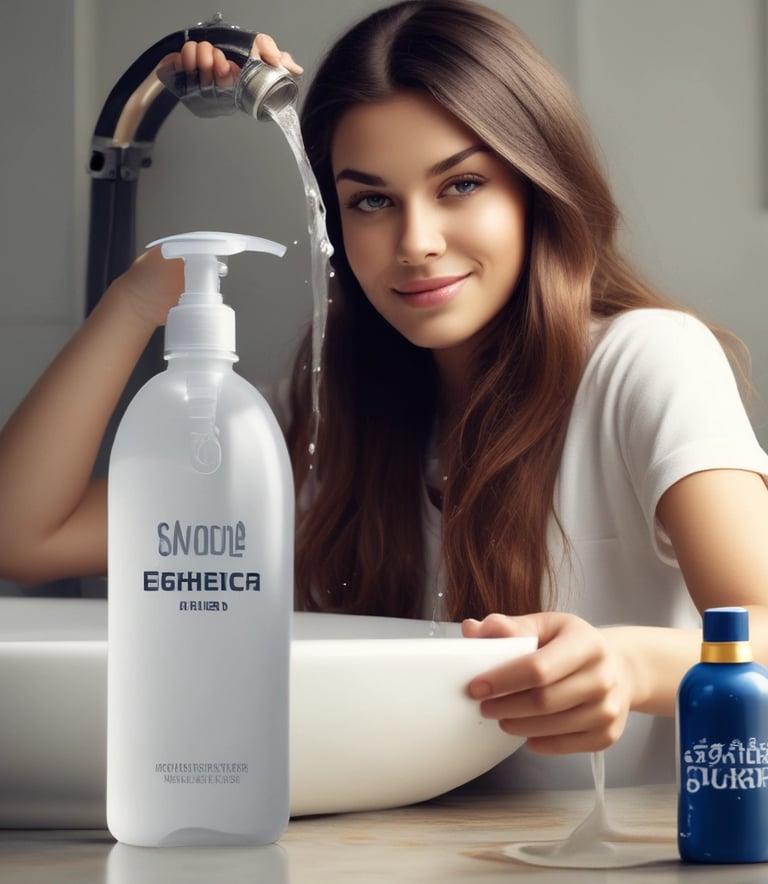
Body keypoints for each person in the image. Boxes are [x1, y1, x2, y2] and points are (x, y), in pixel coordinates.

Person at [1, 0, 768, 790]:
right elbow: (25, 535)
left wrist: (630, 665)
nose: (416, 243)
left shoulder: (646, 363)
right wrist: (136, 301)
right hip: (391, 844)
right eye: (371, 201)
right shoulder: (320, 422)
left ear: (535, 189)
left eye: (461, 184)